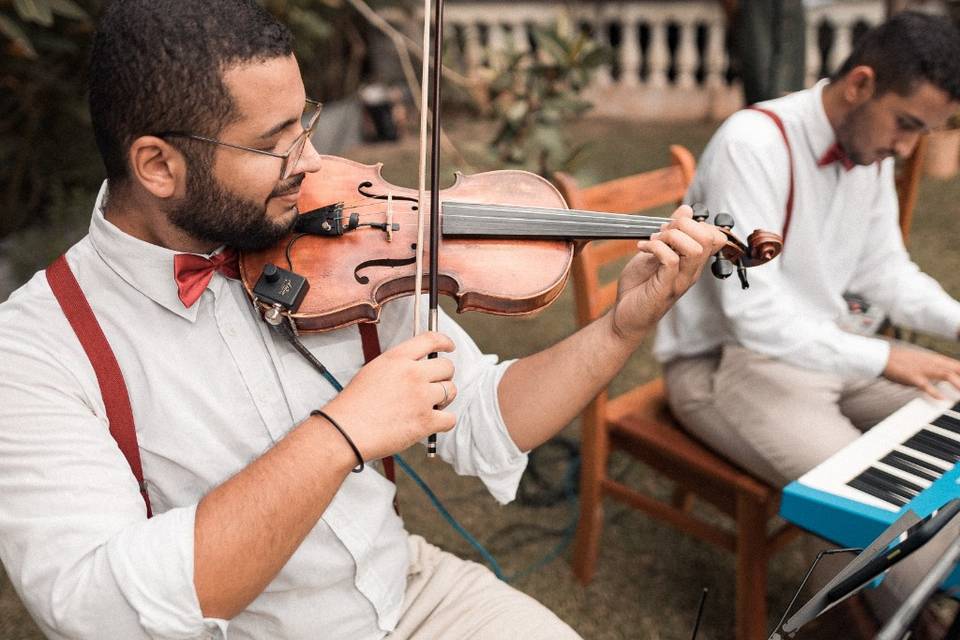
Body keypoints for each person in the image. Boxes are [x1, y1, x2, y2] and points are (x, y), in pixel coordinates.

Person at [0, 2, 725, 639]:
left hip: (404, 591)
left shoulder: (336, 240)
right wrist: (341, 432)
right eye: (276, 140)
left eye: (306, 122)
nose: (311, 161)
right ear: (158, 166)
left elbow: (479, 417)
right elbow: (99, 609)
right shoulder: (36, 349)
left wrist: (621, 328)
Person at [654, 11, 960, 613]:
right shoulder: (752, 143)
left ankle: (877, 593)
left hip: (830, 350)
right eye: (905, 124)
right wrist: (887, 356)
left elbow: (885, 273)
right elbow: (754, 317)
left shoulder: (868, 148)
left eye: (922, 132)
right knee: (881, 510)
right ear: (861, 84)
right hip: (722, 366)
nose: (905, 147)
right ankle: (881, 600)